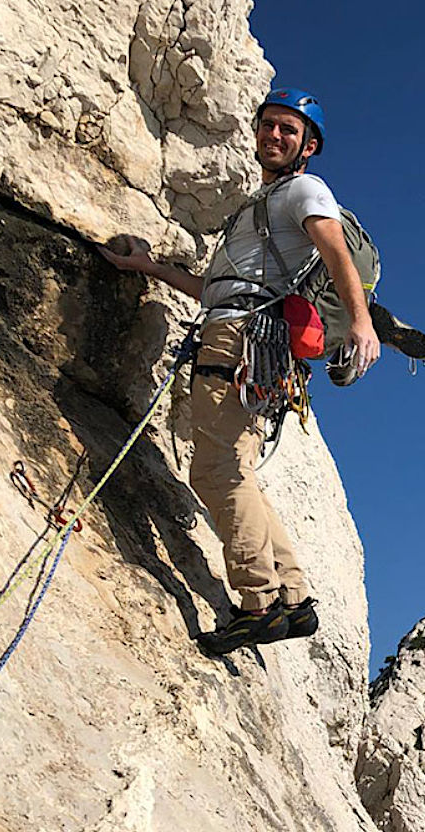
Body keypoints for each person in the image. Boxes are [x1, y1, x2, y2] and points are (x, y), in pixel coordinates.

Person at [100, 87, 379, 652]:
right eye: (268, 124)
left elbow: (334, 251)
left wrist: (361, 321)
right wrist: (148, 267)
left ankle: (259, 604)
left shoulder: (303, 190)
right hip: (248, 337)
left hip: (241, 339)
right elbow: (214, 290)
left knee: (216, 470)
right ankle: (292, 598)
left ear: (309, 146)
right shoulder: (260, 207)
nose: (274, 135)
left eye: (288, 130)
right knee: (233, 469)